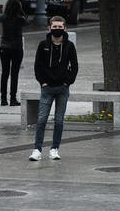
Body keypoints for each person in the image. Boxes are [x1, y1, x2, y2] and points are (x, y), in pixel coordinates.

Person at [29, 16, 78, 161]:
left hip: (62, 88)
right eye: (54, 27)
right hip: (47, 88)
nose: (57, 29)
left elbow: (74, 66)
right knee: (42, 119)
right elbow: (37, 65)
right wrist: (42, 82)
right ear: (49, 28)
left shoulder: (69, 46)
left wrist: (67, 82)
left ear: (65, 28)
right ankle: (37, 149)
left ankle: (54, 149)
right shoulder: (43, 44)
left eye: (60, 27)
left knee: (59, 120)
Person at [0, 0, 28, 106]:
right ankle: (13, 99)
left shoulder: (4, 17)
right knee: (14, 74)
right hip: (17, 48)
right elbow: (26, 21)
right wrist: (21, 9)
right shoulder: (20, 19)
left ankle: (3, 99)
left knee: (5, 73)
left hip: (4, 48)